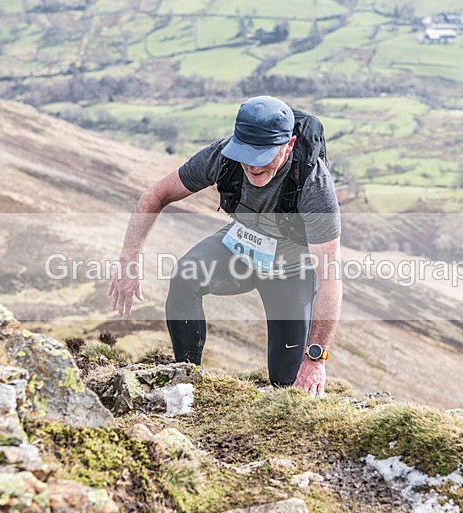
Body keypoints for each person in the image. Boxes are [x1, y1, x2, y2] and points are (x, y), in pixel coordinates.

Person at [108, 96, 342, 397]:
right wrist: (129, 259)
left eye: (264, 154)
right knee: (185, 277)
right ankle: (186, 381)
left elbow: (329, 278)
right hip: (239, 249)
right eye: (246, 153)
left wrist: (316, 357)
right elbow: (156, 195)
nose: (252, 165)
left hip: (291, 271)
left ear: (290, 144)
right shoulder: (224, 156)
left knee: (287, 384)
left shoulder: (314, 185)